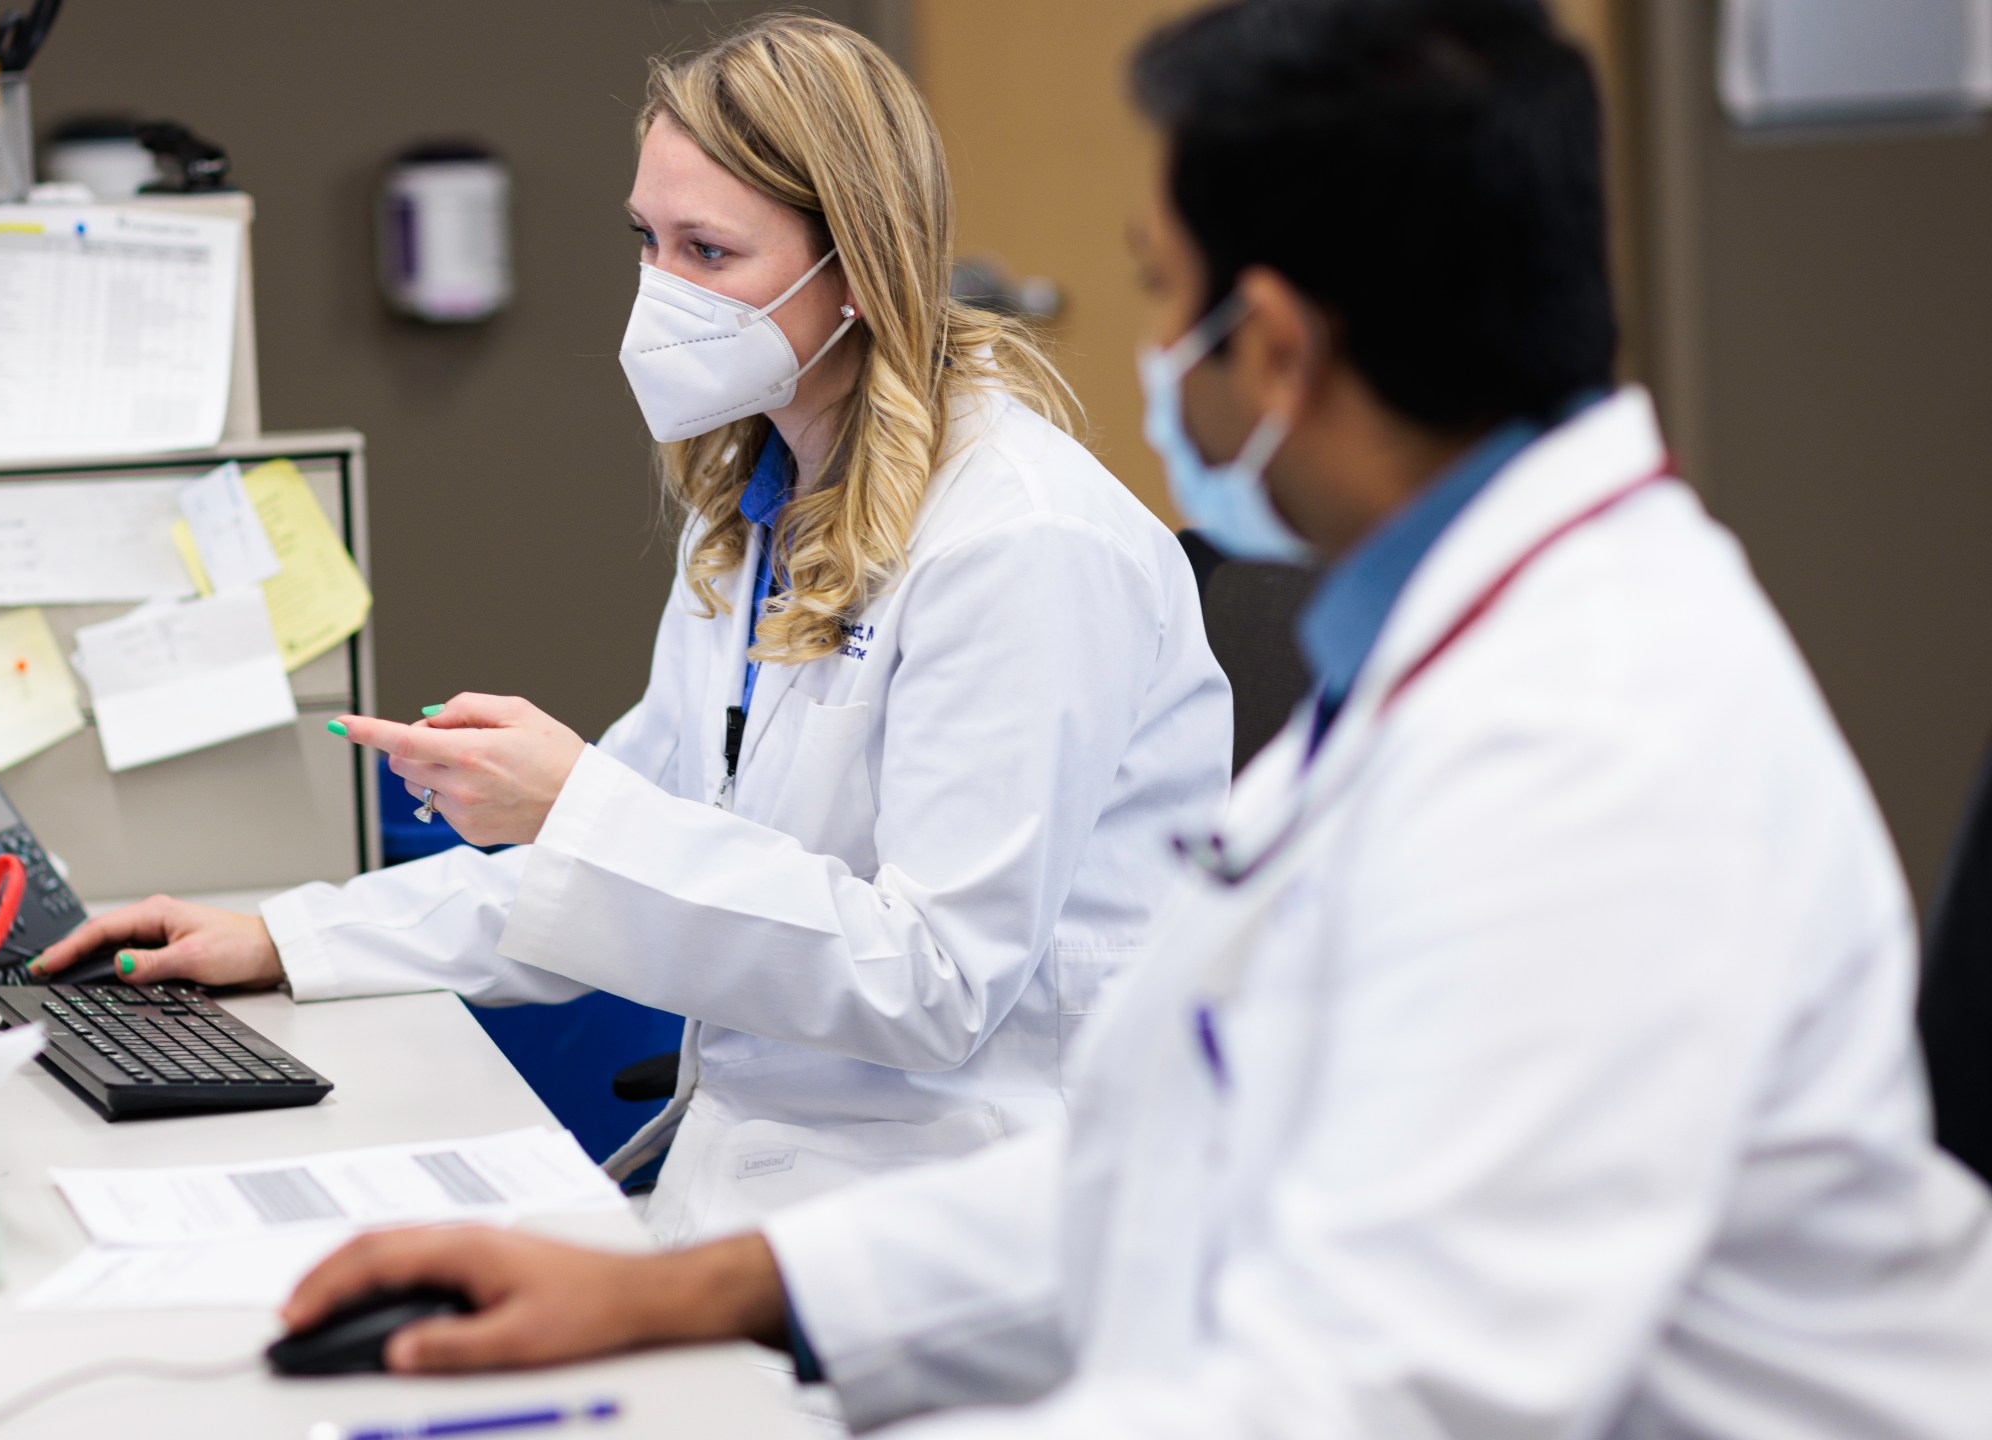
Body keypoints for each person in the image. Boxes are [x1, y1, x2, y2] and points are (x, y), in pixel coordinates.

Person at [271, 2, 1992, 1433]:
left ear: (1284, 350)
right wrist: (686, 1290)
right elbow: (1173, 1154)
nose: (1145, 354)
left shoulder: (1590, 744)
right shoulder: (1438, 658)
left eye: (1162, 291)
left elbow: (1385, 1388)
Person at [32, 15, 1232, 1245]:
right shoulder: (764, 506)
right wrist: (290, 934)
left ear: (859, 271)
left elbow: (933, 983)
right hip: (777, 1170)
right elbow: (628, 862)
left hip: (971, 1215)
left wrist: (575, 807)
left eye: (709, 250)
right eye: (648, 242)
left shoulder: (1020, 543)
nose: (663, 292)